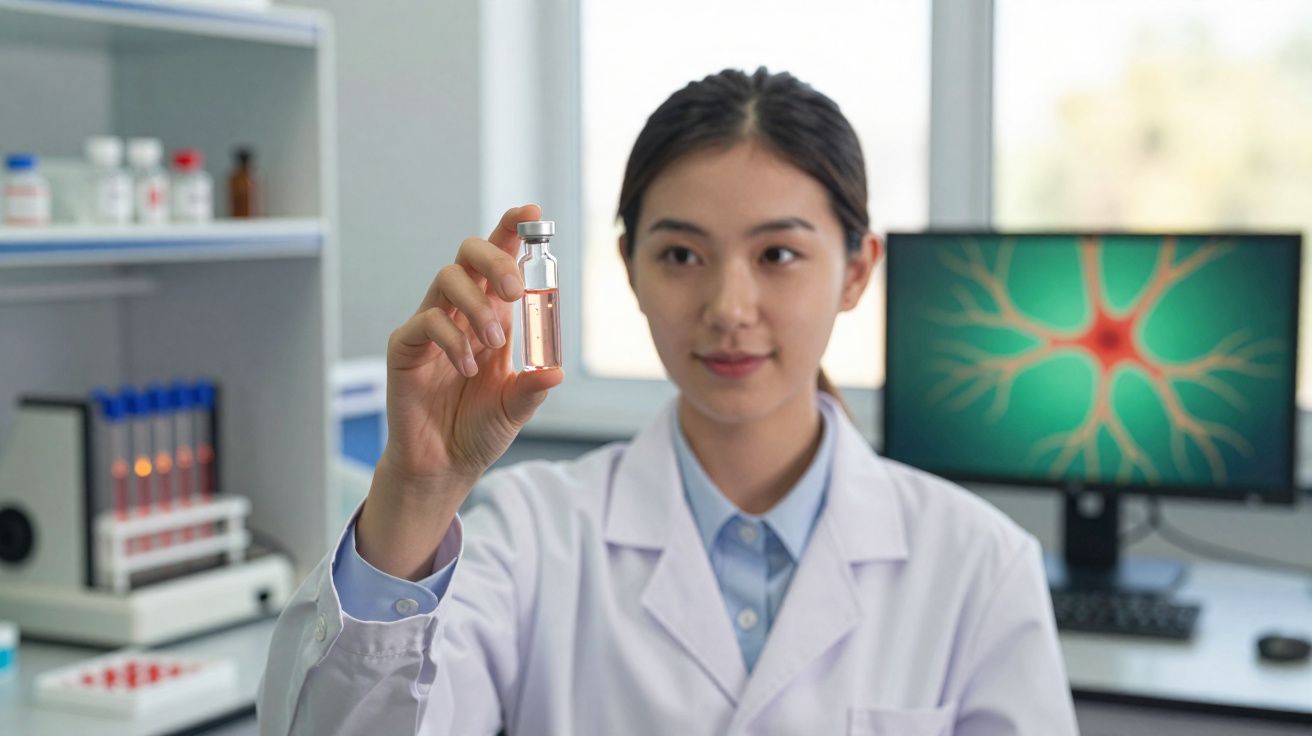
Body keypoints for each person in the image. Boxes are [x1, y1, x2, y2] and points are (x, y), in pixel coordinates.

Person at [258, 67, 1079, 735]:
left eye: (778, 255)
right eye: (682, 254)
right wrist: (417, 487)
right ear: (630, 268)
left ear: (857, 271)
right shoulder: (533, 535)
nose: (728, 307)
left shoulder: (978, 565)